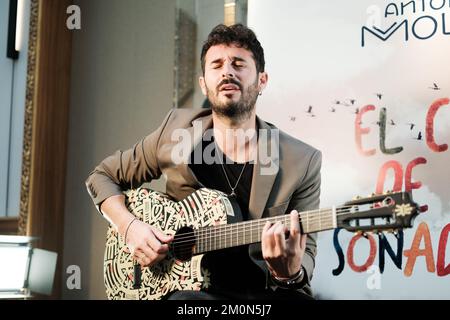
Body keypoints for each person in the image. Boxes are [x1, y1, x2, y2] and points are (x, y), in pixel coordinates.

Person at [86, 24, 321, 300]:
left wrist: (289, 272)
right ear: (204, 83)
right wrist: (129, 227)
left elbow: (306, 256)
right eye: (217, 64)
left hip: (259, 292)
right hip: (182, 289)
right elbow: (101, 177)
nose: (227, 72)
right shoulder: (175, 132)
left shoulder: (302, 160)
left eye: (239, 64)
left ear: (262, 81)